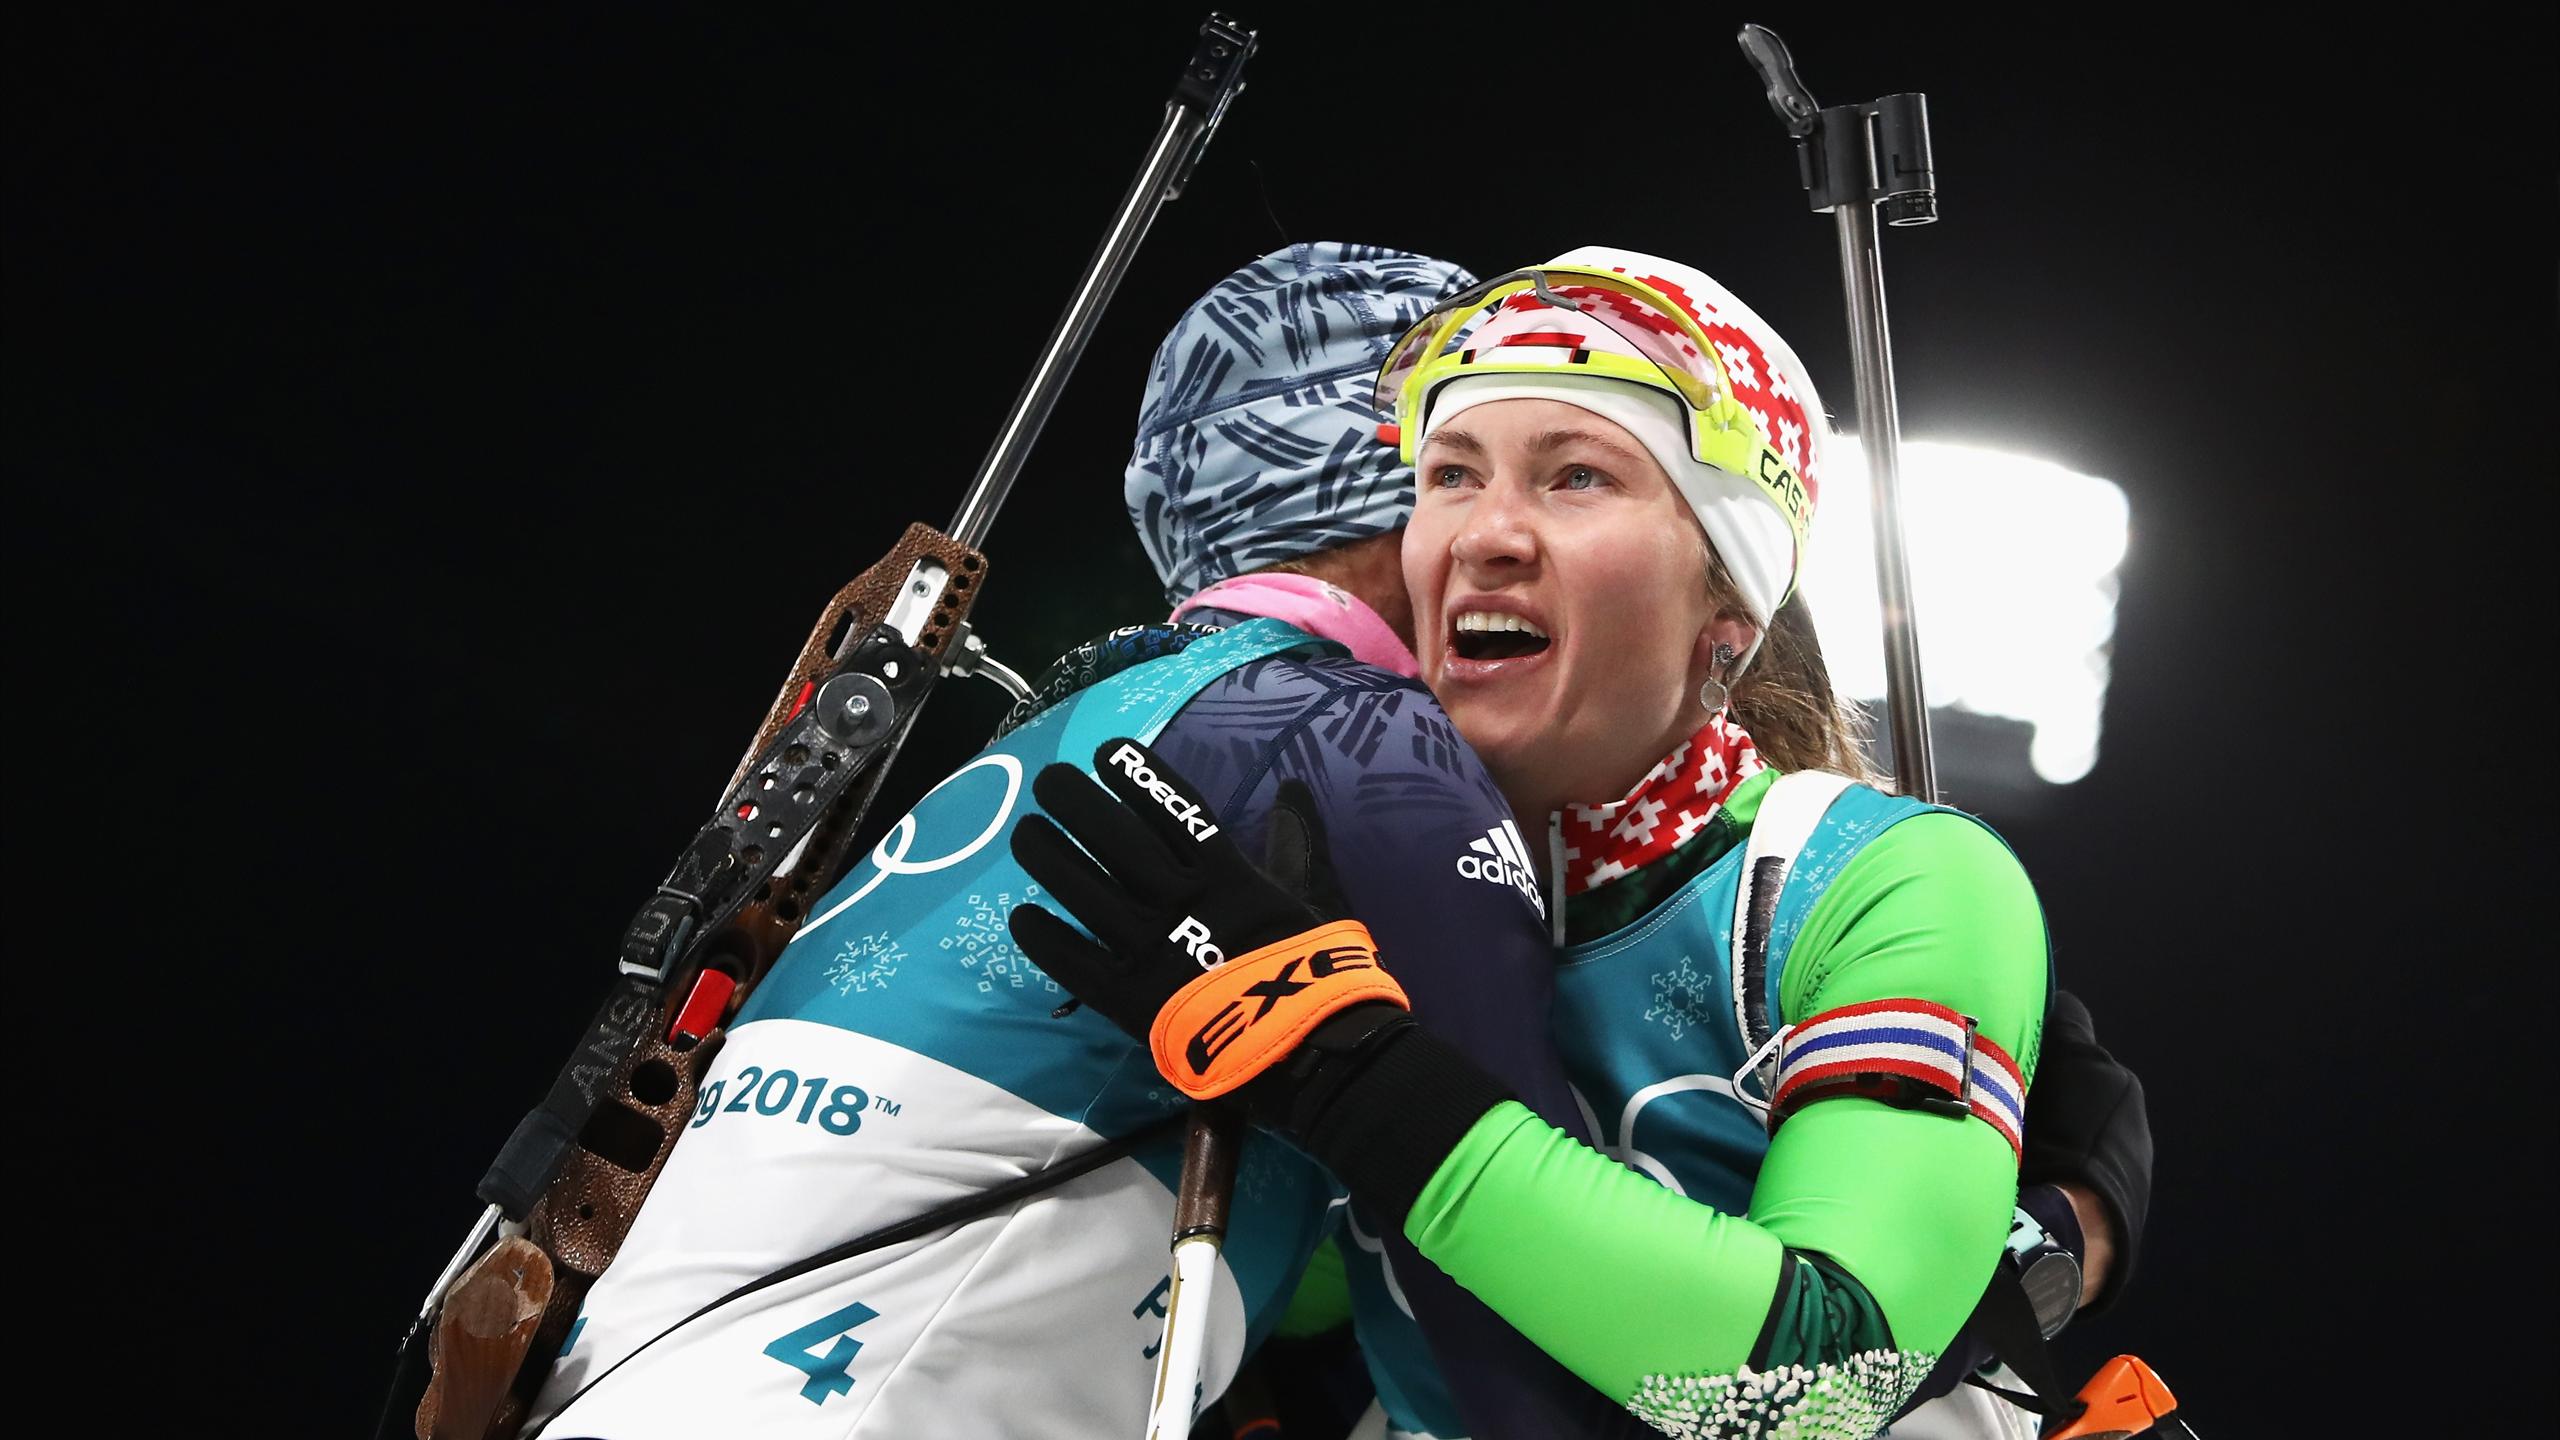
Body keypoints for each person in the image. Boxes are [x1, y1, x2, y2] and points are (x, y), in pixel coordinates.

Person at [1012, 247, 2147, 1439]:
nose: (1485, 534)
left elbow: (1822, 1382)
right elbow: (1320, 1302)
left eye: (1577, 477)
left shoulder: (1876, 876)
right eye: (1449, 475)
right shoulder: (1370, 896)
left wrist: (1344, 1076)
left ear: (1729, 608)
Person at [522, 243, 1648, 1440]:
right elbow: (1510, 1285)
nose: (1508, 528)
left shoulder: (1081, 713)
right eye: (1466, 464)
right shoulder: (1351, 732)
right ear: (1395, 481)